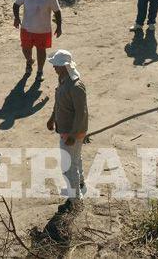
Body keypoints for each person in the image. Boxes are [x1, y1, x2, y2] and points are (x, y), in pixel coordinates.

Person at [46, 50, 88, 213]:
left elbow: (81, 113)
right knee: (75, 159)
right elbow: (59, 103)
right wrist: (52, 118)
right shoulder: (63, 80)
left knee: (68, 166)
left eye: (56, 65)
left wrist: (73, 134)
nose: (54, 68)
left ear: (64, 66)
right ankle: (80, 182)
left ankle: (75, 200)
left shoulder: (77, 86)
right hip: (65, 130)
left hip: (72, 133)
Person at [13, 0, 62, 81]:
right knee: (25, 49)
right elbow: (16, 5)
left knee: (41, 51)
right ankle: (29, 61)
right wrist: (16, 18)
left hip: (43, 30)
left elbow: (57, 11)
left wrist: (59, 27)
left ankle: (40, 71)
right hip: (26, 28)